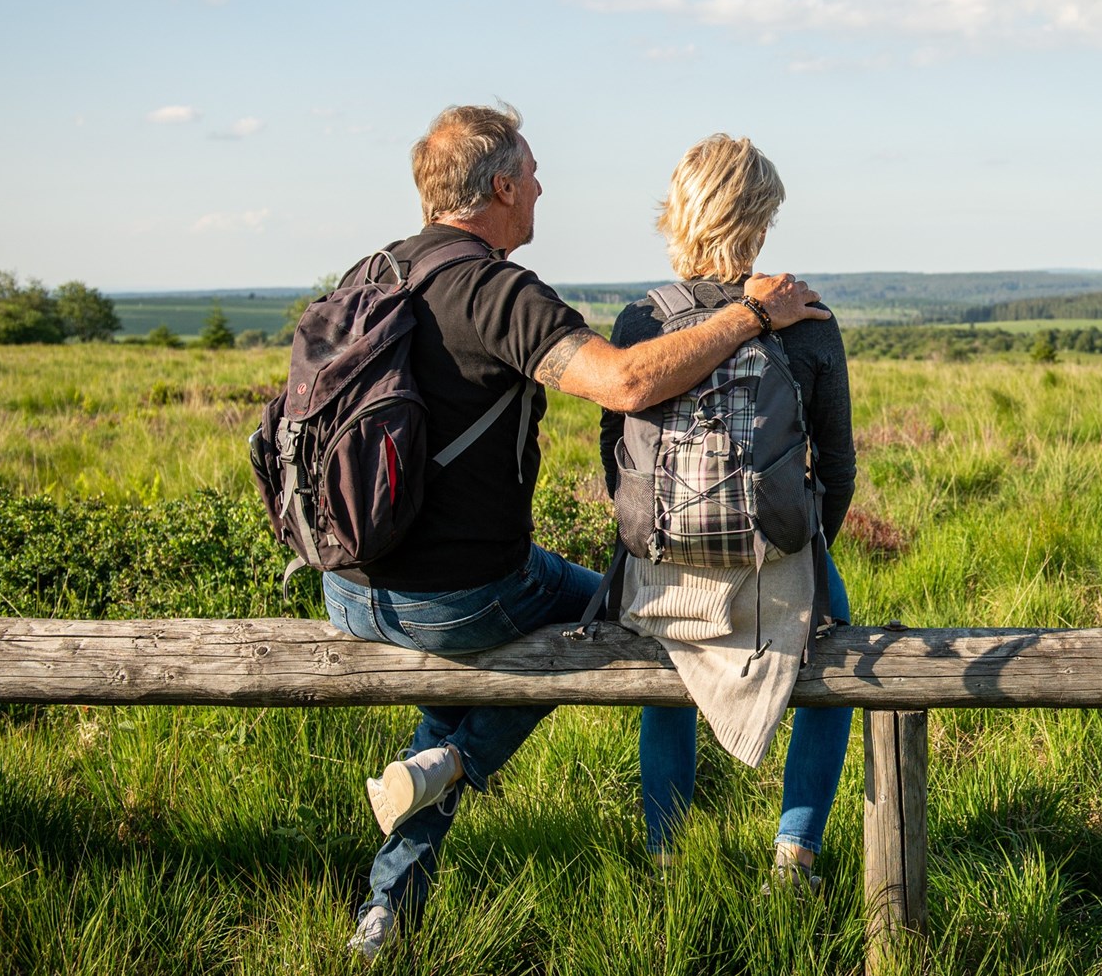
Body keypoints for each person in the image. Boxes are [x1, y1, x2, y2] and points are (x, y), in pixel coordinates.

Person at [320, 104, 828, 959]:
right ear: (503, 185)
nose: (545, 188)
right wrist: (751, 314)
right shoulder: (496, 292)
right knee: (602, 612)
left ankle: (388, 909)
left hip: (350, 586)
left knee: (458, 688)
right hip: (456, 597)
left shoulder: (368, 275)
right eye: (535, 172)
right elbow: (626, 384)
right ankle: (455, 767)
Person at [599, 134, 857, 892]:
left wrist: (651, 531)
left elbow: (618, 451)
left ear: (681, 213)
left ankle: (667, 862)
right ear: (758, 219)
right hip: (774, 556)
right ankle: (795, 854)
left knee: (667, 673)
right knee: (841, 665)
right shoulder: (806, 319)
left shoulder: (640, 322)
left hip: (661, 559)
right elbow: (836, 465)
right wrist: (803, 548)